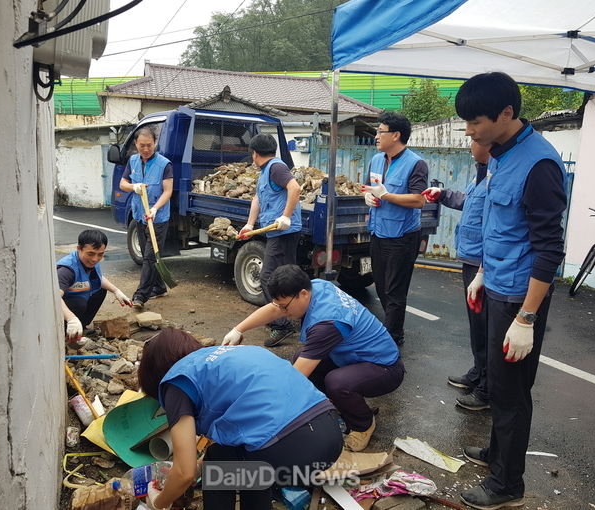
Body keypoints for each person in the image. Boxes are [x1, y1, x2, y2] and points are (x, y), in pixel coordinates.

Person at [454, 72, 567, 510]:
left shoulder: (539, 165)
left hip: (520, 297)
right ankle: (497, 456)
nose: (469, 130)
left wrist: (526, 317)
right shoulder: (502, 154)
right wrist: (483, 271)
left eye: (474, 121)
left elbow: (548, 248)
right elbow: (502, 227)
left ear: (506, 113)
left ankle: (507, 486)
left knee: (512, 393)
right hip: (497, 284)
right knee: (499, 388)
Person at [138, 328, 343, 510]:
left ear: (155, 373)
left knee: (218, 465)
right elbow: (249, 423)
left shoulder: (176, 381)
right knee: (237, 459)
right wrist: (192, 465)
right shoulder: (224, 358)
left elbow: (185, 472)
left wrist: (158, 502)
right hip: (330, 435)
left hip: (289, 449)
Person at [222, 264, 405, 452]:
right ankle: (340, 406)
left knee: (337, 383)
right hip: (354, 355)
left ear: (303, 294)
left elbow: (295, 378)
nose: (283, 312)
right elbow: (276, 308)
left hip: (385, 368)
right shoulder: (316, 286)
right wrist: (238, 329)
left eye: (285, 306)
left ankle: (363, 424)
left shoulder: (328, 323)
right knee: (300, 356)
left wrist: (254, 408)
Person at [423, 141, 491, 411]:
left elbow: (496, 224)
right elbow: (469, 202)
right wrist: (442, 194)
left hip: (482, 264)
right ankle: (479, 372)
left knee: (486, 326)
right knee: (477, 324)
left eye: (475, 138)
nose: (471, 142)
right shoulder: (482, 173)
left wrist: (484, 270)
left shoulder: (498, 175)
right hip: (472, 258)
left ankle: (488, 388)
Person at [361, 112, 428, 347]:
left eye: (381, 131)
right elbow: (367, 188)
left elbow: (419, 200)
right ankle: (390, 329)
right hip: (378, 231)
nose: (376, 136)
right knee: (380, 285)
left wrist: (387, 195)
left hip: (402, 236)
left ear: (396, 135)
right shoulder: (376, 160)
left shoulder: (415, 163)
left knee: (395, 289)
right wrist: (369, 196)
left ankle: (392, 337)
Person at [240, 133, 302, 347]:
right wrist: (249, 225)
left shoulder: (276, 167)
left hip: (284, 231)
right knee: (287, 278)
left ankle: (282, 325)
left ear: (254, 153)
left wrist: (286, 215)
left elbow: (295, 188)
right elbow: (258, 198)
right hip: (276, 232)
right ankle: (295, 316)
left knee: (268, 278)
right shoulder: (266, 171)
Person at [119, 127, 173, 309]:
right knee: (146, 254)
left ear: (155, 143)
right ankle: (158, 287)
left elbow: (168, 191)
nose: (146, 149)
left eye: (149, 145)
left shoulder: (164, 164)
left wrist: (156, 209)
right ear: (136, 144)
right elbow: (122, 183)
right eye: (142, 145)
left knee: (149, 257)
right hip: (139, 215)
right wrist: (134, 187)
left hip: (157, 218)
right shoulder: (133, 161)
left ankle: (141, 295)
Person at [58, 229, 133, 343]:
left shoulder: (89, 262)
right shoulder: (67, 269)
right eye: (90, 254)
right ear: (79, 249)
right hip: (61, 310)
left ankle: (81, 327)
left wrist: (116, 291)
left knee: (100, 290)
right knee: (79, 302)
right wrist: (71, 319)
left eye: (100, 254)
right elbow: (53, 298)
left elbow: (98, 278)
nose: (95, 259)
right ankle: (67, 333)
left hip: (74, 302)